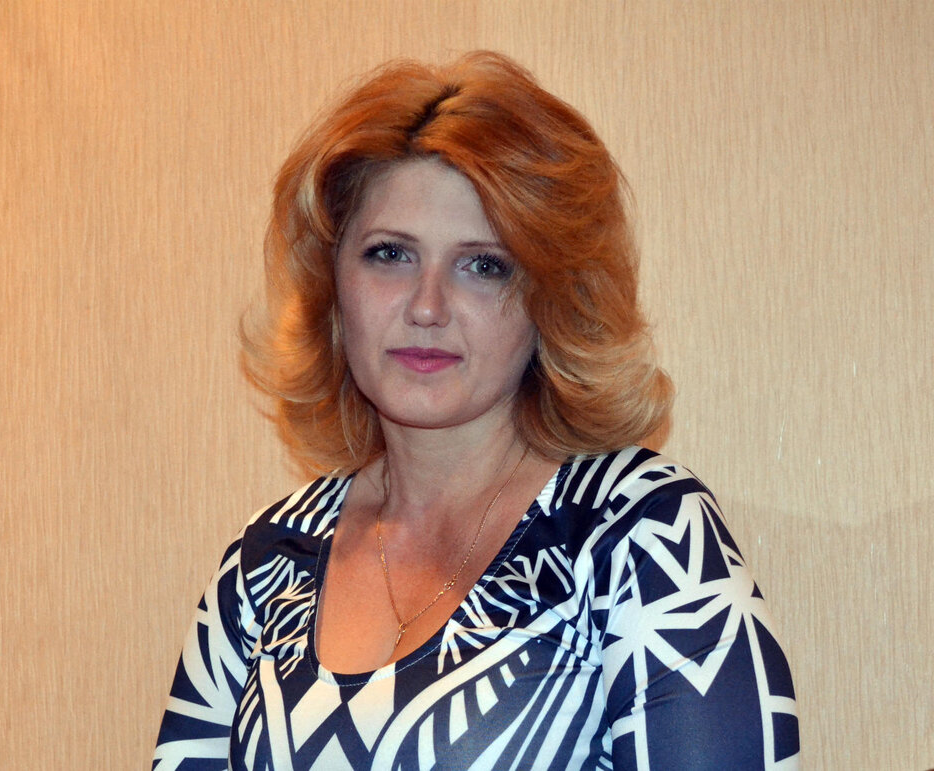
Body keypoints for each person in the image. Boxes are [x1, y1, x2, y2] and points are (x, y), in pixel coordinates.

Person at [153, 51, 799, 770]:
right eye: (390, 254)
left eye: (484, 265)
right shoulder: (268, 560)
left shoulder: (641, 536)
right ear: (332, 285)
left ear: (551, 299)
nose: (427, 306)